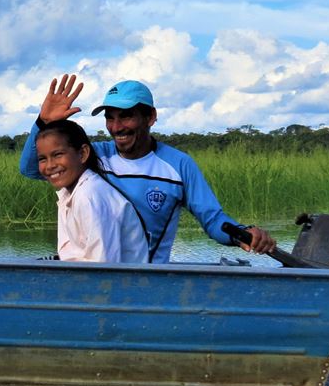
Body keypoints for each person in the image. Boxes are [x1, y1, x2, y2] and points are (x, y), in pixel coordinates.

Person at [19, 75, 276, 263]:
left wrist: (241, 233)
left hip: (147, 279)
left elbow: (213, 219)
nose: (117, 127)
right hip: (103, 274)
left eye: (127, 116)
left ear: (150, 117)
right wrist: (43, 124)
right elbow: (32, 168)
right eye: (110, 117)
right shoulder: (95, 155)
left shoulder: (178, 165)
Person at [36, 119, 148, 263]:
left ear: (82, 153)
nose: (50, 165)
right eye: (42, 159)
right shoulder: (70, 193)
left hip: (123, 283)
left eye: (58, 154)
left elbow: (103, 266)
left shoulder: (89, 194)